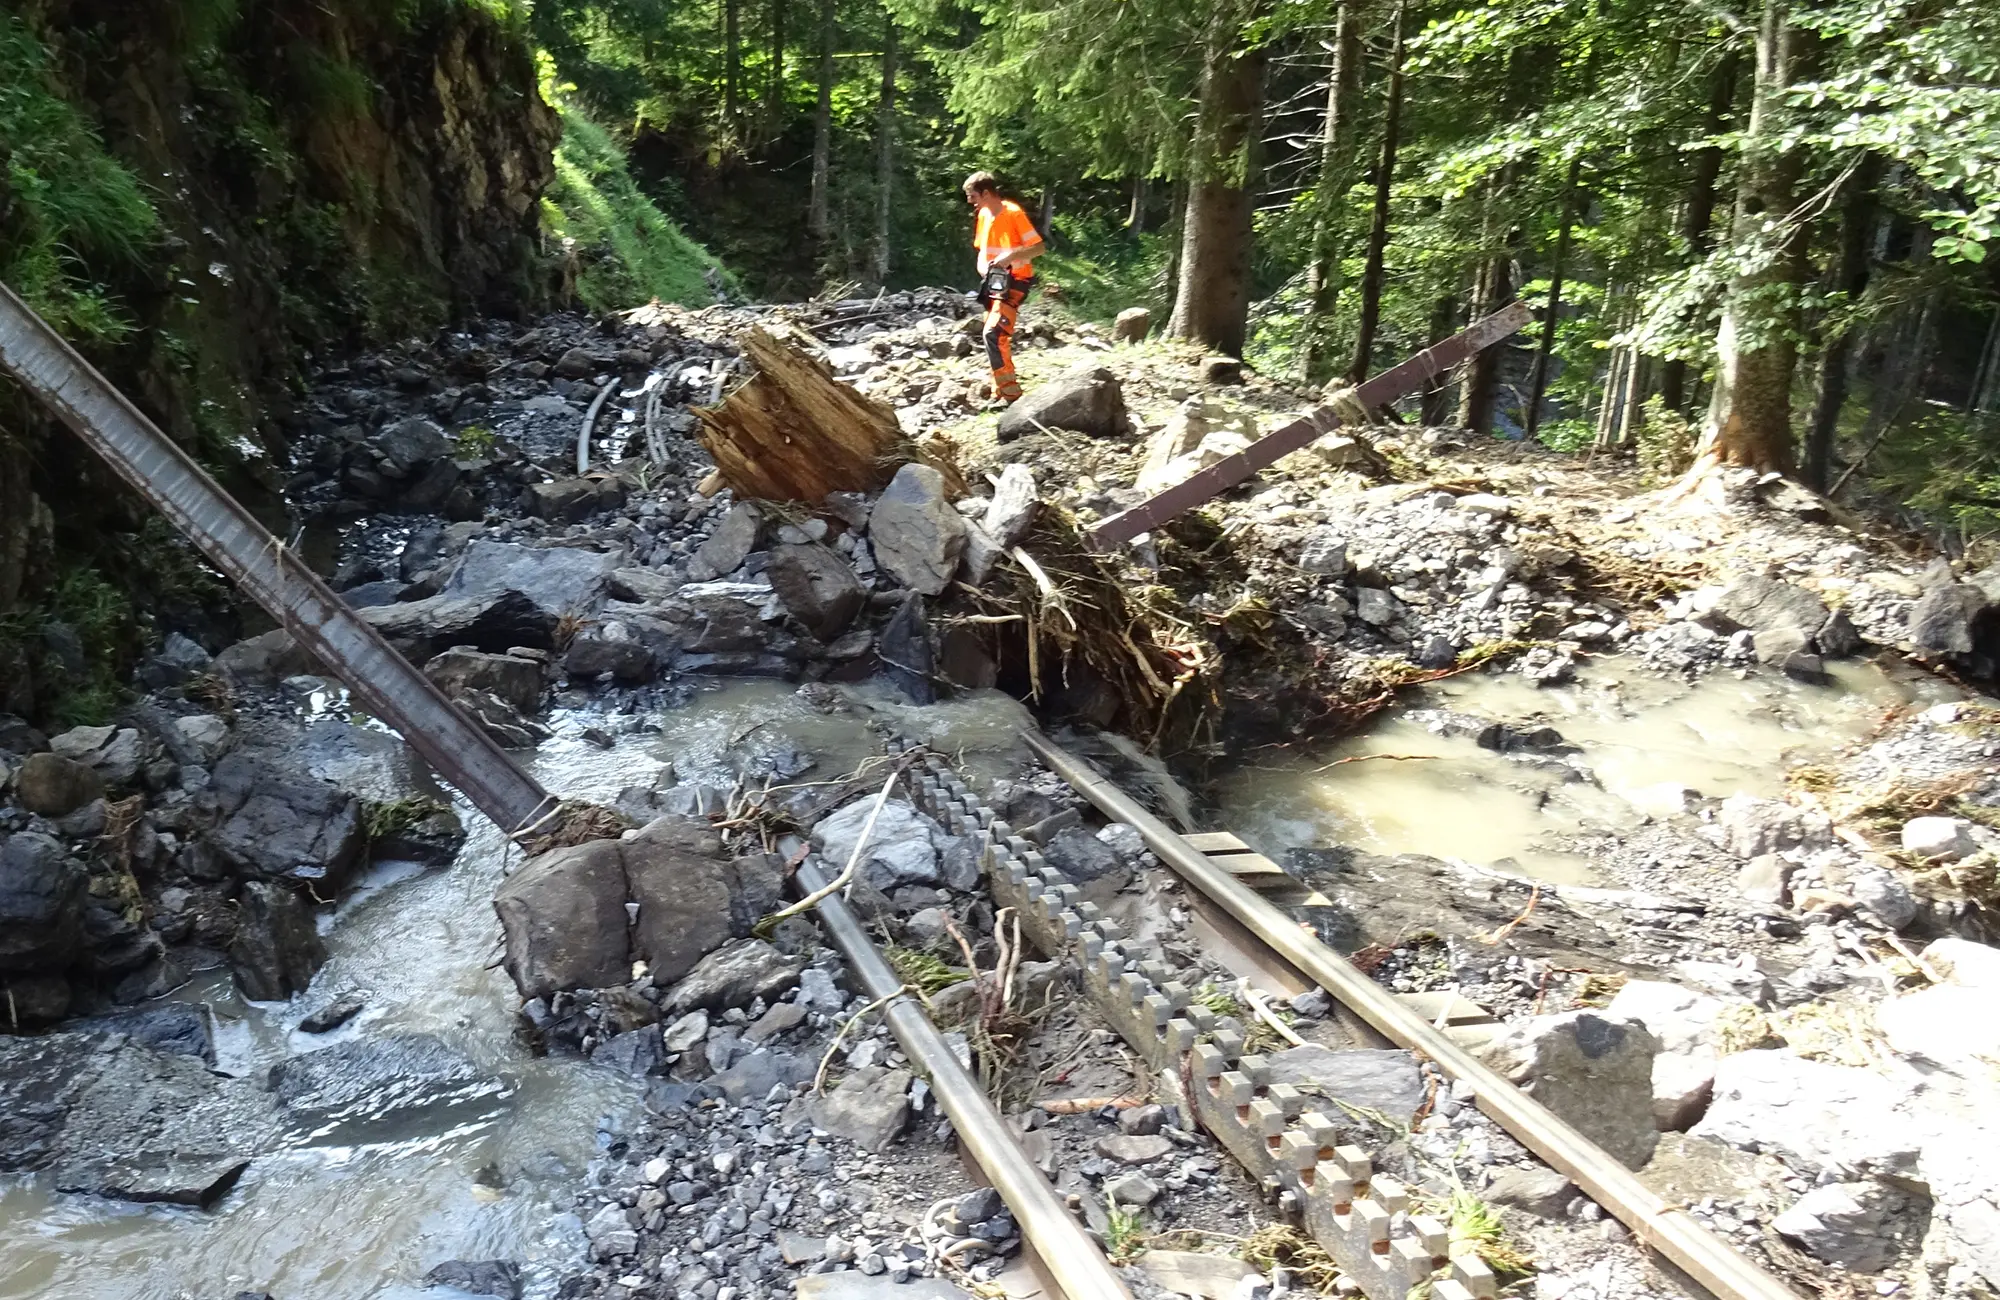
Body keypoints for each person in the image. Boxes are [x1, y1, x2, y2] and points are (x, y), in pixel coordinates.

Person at [964, 171, 1046, 405]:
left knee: (993, 333)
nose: (970, 201)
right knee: (996, 336)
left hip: (1016, 280)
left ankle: (1012, 396)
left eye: (972, 196)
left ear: (986, 193)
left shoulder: (1013, 213)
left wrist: (1010, 257)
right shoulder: (983, 215)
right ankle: (998, 391)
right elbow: (982, 248)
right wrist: (983, 267)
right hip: (993, 283)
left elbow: (1038, 248)